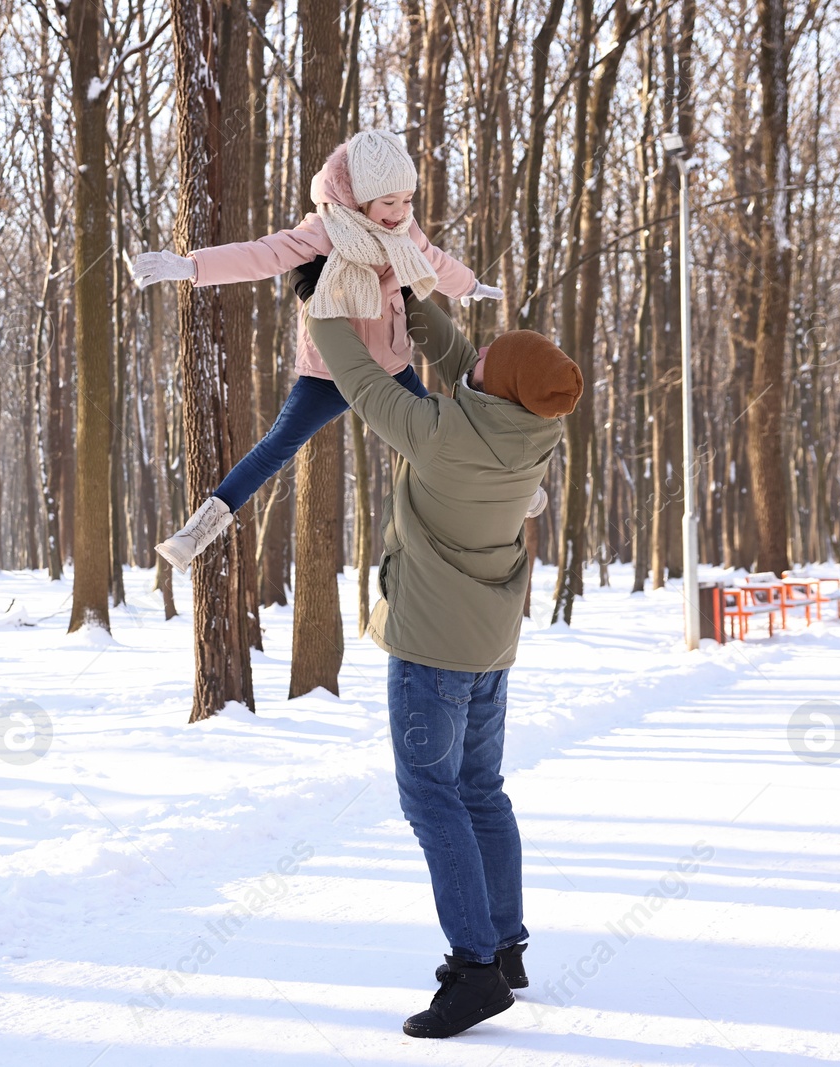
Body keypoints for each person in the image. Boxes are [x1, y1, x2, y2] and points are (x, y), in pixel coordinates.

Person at [298, 278, 581, 1039]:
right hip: (489, 644)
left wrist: (322, 304)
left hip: (431, 647)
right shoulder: (533, 429)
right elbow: (467, 364)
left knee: (433, 798)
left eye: (491, 354)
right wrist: (410, 296)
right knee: (481, 790)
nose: (477, 349)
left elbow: (359, 381)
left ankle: (476, 970)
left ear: (501, 384)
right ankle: (507, 943)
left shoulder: (442, 435)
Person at [132, 129, 502, 573]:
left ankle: (508, 491)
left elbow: (434, 261)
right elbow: (264, 254)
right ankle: (197, 531)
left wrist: (470, 286)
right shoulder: (325, 229)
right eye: (390, 202)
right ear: (361, 197)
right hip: (330, 374)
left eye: (408, 200)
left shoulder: (405, 230)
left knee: (439, 439)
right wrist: (193, 266)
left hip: (389, 366)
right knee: (276, 447)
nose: (401, 212)